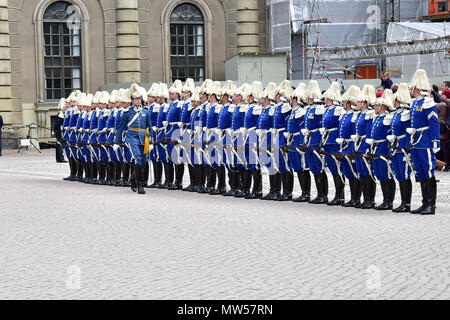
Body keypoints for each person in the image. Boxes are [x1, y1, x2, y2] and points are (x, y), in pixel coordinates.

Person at [408, 69, 440, 215]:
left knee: (428, 171)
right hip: (416, 141)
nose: (411, 90)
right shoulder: (415, 103)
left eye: (413, 87)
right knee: (420, 172)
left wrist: (435, 141)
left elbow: (434, 123)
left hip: (425, 140)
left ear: (417, 88)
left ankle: (431, 205)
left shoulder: (427, 102)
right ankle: (424, 202)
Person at [114, 83, 153, 195]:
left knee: (143, 161)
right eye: (135, 99)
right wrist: (117, 142)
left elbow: (149, 127)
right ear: (132, 100)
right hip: (131, 138)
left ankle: (133, 178)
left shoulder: (145, 111)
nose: (138, 101)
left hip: (143, 138)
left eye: (139, 99)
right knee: (137, 158)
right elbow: (120, 128)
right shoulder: (127, 112)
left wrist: (151, 141)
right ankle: (140, 184)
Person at [367, 89, 396, 210]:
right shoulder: (376, 118)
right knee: (379, 175)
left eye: (376, 105)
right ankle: (385, 200)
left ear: (382, 107)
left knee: (386, 175)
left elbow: (389, 137)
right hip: (376, 149)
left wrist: (389, 153)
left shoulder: (386, 119)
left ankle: (389, 201)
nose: (374, 107)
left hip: (383, 149)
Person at [388, 83, 412, 212]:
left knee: (404, 175)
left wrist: (407, 149)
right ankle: (403, 202)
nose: (394, 103)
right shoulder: (396, 114)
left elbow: (408, 132)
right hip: (395, 148)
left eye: (396, 100)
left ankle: (406, 203)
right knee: (399, 175)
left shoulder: (405, 113)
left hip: (402, 148)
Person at [302, 80, 328, 204]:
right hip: (309, 140)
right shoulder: (308, 109)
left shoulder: (318, 108)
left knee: (320, 168)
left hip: (316, 139)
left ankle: (323, 194)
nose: (308, 99)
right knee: (313, 168)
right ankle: (319, 193)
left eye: (310, 97)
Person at [320, 82, 344, 205]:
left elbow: (339, 126)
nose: (326, 100)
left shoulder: (337, 110)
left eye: (328, 98)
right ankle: (337, 194)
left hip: (334, 141)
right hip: (327, 141)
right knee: (332, 169)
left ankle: (340, 195)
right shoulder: (327, 110)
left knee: (337, 169)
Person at [352, 85, 377, 209]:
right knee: (361, 172)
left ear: (364, 103)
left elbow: (368, 133)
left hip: (364, 146)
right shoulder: (360, 114)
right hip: (358, 145)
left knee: (368, 173)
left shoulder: (369, 114)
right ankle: (365, 198)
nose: (356, 103)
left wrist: (367, 147)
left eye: (358, 102)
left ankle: (370, 199)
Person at [286, 83, 311, 202]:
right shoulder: (293, 111)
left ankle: (306, 193)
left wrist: (302, 143)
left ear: (295, 99)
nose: (289, 100)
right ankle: (303, 192)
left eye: (291, 98)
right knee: (297, 168)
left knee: (302, 168)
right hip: (292, 142)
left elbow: (302, 129)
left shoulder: (300, 112)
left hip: (297, 142)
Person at [336, 85, 360, 207]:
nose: (343, 104)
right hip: (344, 145)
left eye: (344, 102)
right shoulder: (344, 115)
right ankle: (352, 197)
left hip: (350, 145)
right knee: (348, 173)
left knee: (354, 173)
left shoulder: (353, 116)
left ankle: (356, 198)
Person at [54, 98, 66, 162]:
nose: (65, 109)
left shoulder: (62, 114)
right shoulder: (60, 115)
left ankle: (62, 157)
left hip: (61, 132)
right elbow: (57, 125)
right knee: (59, 146)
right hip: (59, 132)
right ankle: (59, 158)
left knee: (61, 146)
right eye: (64, 108)